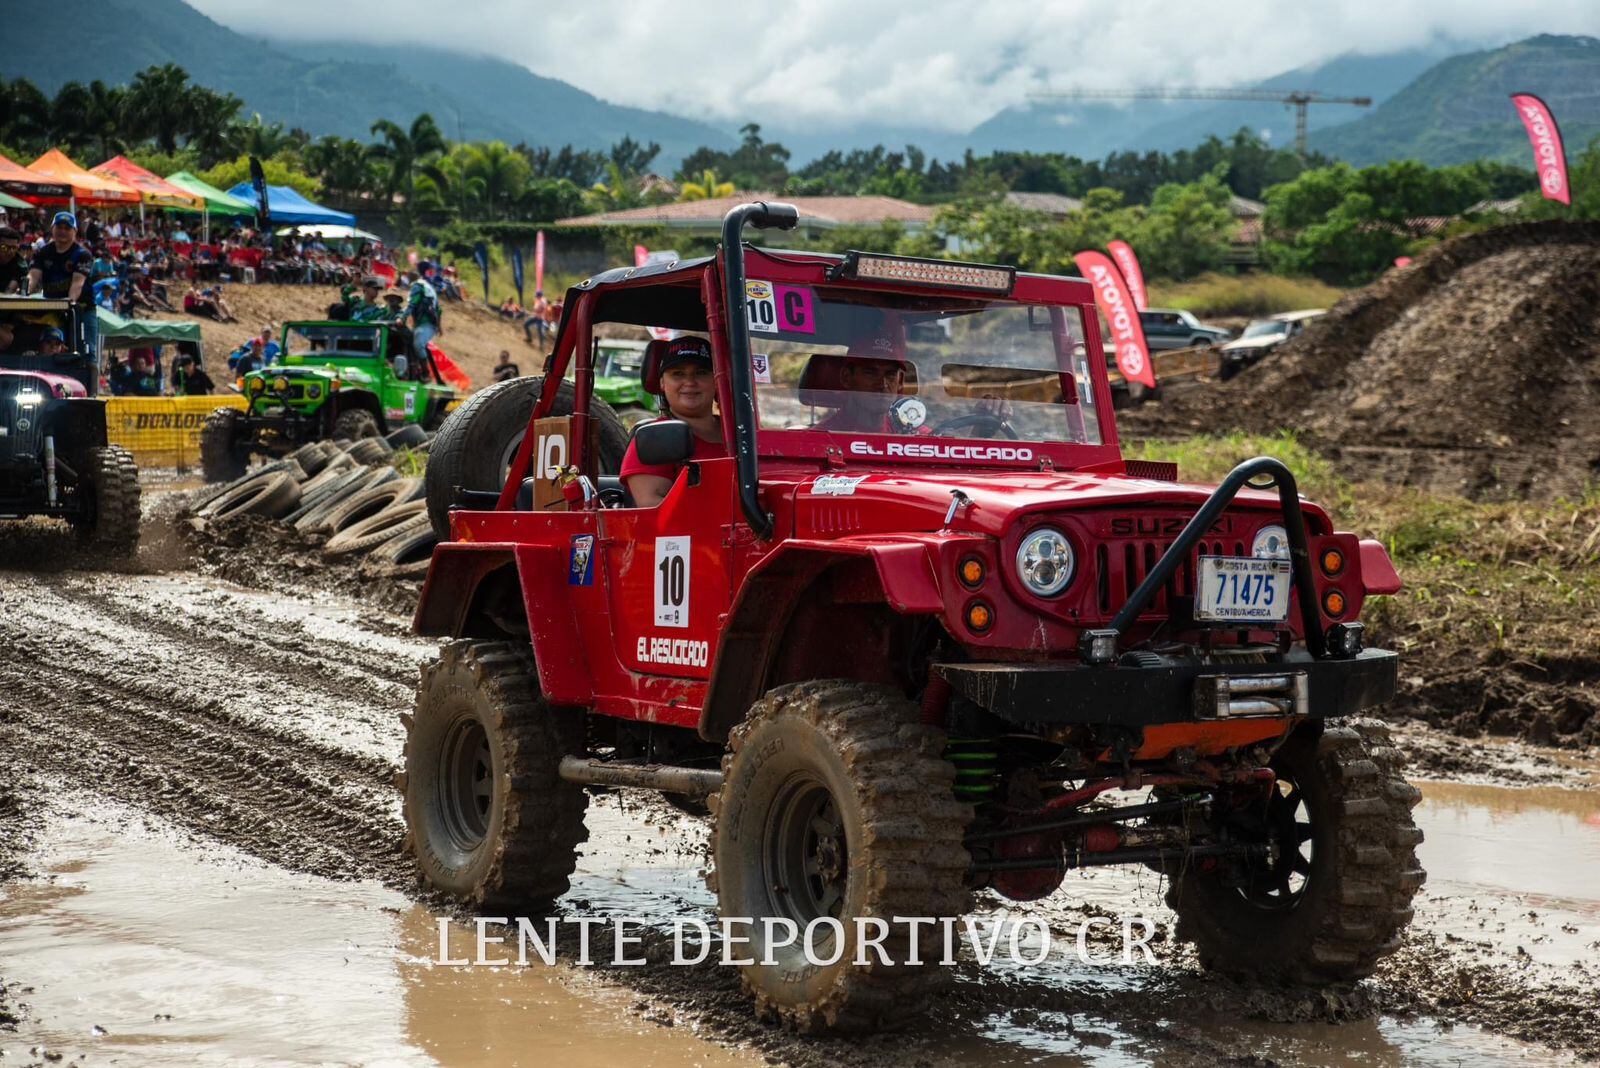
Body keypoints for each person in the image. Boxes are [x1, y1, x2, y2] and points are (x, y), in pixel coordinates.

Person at [619, 336, 727, 508]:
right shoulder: (654, 438)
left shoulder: (743, 434)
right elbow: (653, 508)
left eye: (701, 373)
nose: (690, 382)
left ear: (717, 380)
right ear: (662, 382)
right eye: (678, 374)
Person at [813, 332, 910, 433]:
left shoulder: (912, 435)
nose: (882, 385)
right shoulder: (822, 437)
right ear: (847, 378)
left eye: (891, 375)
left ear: (900, 382)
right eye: (870, 373)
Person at [28, 212, 91, 305]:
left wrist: (68, 304)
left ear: (75, 231)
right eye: (59, 227)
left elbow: (77, 285)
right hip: (50, 304)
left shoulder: (82, 254)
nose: (62, 231)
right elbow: (32, 277)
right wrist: (24, 293)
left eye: (67, 228)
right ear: (52, 228)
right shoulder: (43, 252)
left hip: (81, 306)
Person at [405, 277, 442, 355]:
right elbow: (438, 310)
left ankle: (424, 367)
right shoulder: (430, 291)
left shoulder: (417, 287)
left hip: (426, 324)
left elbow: (411, 305)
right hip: (423, 324)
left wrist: (402, 317)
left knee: (418, 345)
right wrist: (439, 327)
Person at [0, 228, 25, 294]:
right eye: (4, 247)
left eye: (14, 248)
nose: (10, 252)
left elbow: (9, 291)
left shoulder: (20, 265)